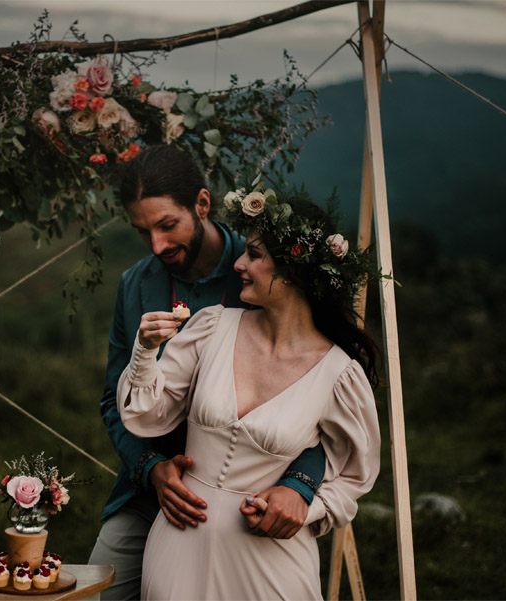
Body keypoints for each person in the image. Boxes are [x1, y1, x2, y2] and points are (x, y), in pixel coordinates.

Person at [116, 183, 382, 599]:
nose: (239, 263)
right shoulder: (211, 327)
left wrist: (305, 505)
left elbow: (354, 475)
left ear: (293, 271)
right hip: (178, 547)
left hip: (272, 561)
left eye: (254, 255)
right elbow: (147, 415)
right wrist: (145, 351)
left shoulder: (339, 375)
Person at [88, 145, 328, 600]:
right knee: (101, 589)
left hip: (250, 493)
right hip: (148, 489)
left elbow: (318, 398)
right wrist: (152, 470)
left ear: (201, 204)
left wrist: (298, 486)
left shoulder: (261, 271)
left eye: (167, 226)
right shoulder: (135, 285)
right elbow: (112, 401)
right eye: (143, 233)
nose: (157, 246)